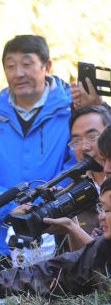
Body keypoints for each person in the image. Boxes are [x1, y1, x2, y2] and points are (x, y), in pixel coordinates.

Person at [0, 34, 73, 270]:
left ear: (47, 67)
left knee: (57, 303)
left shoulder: (69, 111)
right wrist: (10, 209)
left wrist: (45, 208)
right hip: (4, 238)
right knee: (0, 304)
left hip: (57, 233)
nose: (18, 73)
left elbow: (76, 166)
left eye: (26, 64)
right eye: (10, 65)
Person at [0, 177, 111, 305]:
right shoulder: (104, 246)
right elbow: (56, 272)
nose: (101, 216)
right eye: (100, 208)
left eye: (106, 209)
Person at [44, 106, 111, 251]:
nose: (84, 147)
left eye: (92, 137)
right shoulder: (73, 194)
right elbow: (80, 262)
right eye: (77, 141)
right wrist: (71, 226)